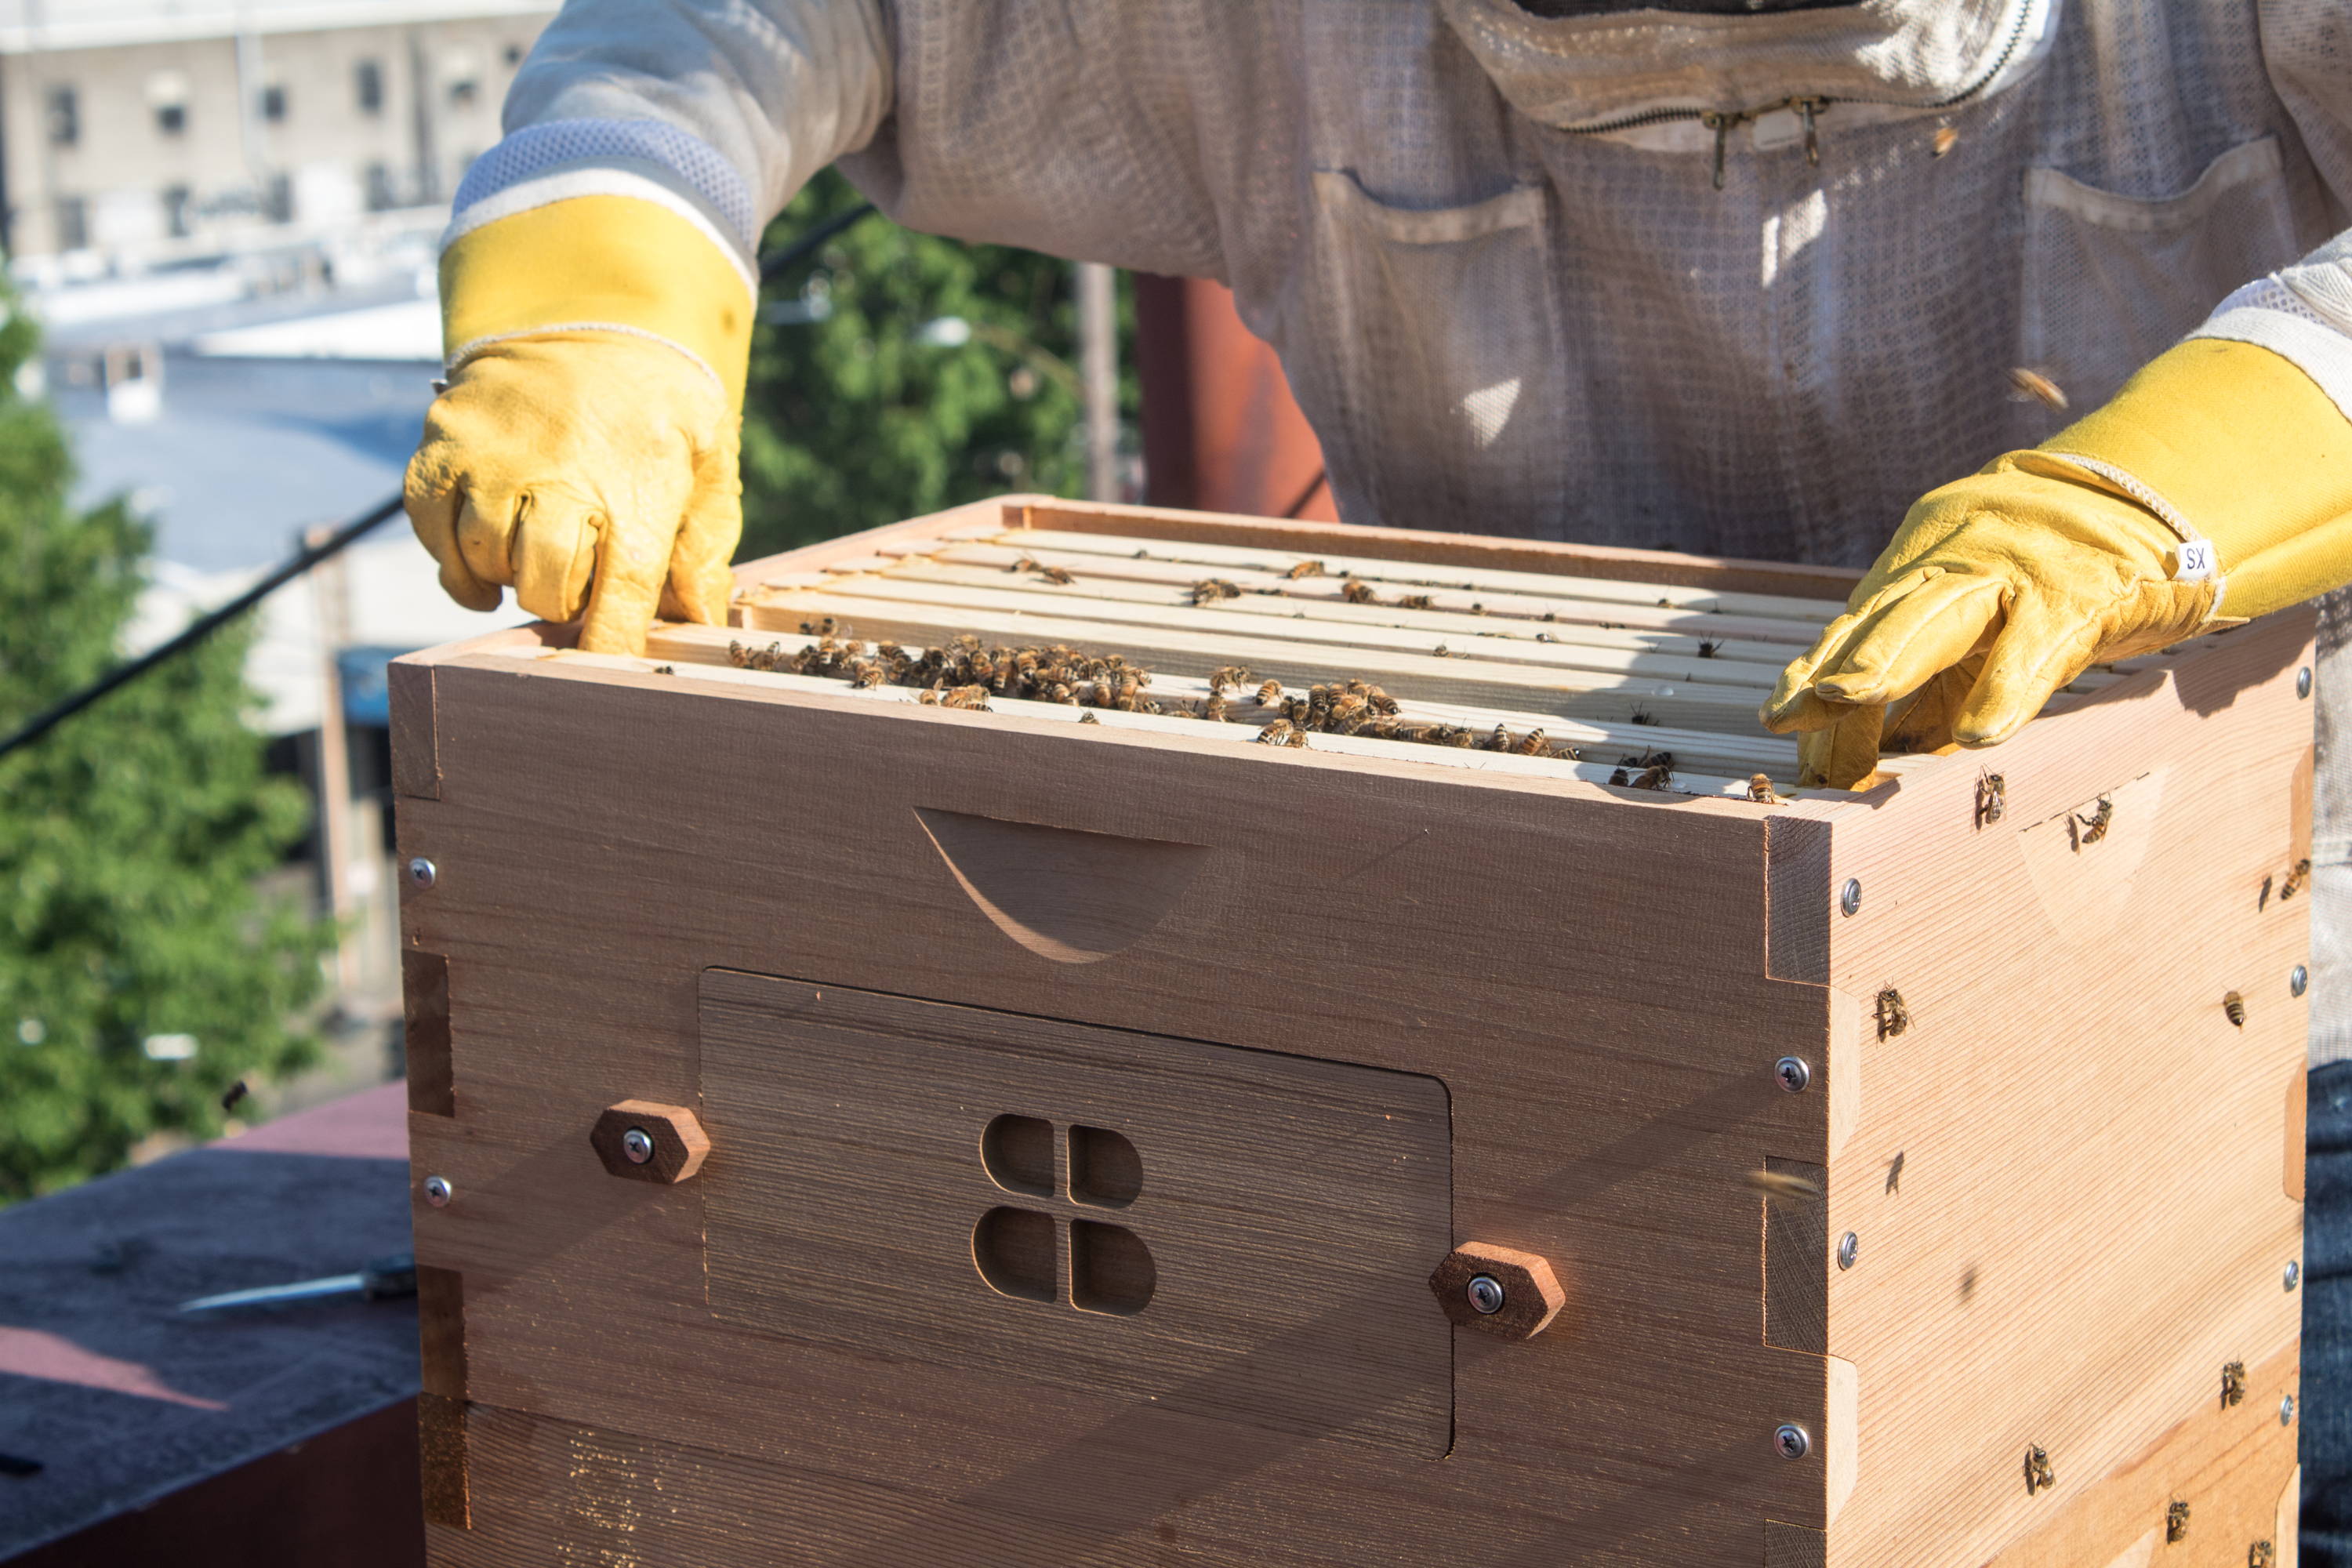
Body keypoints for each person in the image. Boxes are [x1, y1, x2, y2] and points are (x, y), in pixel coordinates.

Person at [405, 0, 2352, 1552]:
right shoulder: (1272, 32)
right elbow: (717, 30)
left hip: (2224, 981)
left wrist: (2159, 491)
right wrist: (599, 295)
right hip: (1503, 996)